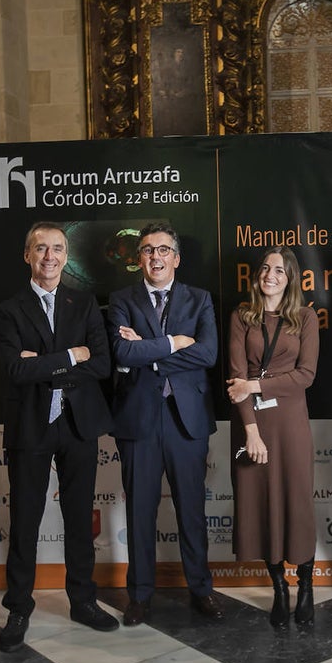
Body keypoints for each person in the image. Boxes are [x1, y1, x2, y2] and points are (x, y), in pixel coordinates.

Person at [0, 221, 120, 653]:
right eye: (41, 248)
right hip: (31, 425)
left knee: (79, 518)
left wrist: (43, 364)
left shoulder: (83, 303)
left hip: (78, 423)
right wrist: (70, 355)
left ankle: (83, 601)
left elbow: (100, 364)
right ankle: (18, 608)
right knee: (25, 521)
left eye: (57, 248)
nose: (50, 256)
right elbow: (15, 369)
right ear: (27, 255)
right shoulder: (8, 310)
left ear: (66, 256)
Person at [108, 222, 225, 626]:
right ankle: (139, 596)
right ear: (138, 258)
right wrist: (175, 343)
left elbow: (208, 354)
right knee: (139, 511)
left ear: (176, 257)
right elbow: (122, 353)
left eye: (162, 250)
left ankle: (201, 589)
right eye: (147, 250)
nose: (155, 257)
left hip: (186, 420)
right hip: (137, 418)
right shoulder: (121, 299)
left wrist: (148, 352)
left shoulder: (200, 299)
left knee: (191, 510)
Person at [226, 247, 319, 627]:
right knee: (261, 505)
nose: (270, 275)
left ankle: (306, 585)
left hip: (291, 424)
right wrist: (251, 432)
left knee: (297, 503)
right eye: (265, 268)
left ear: (290, 277)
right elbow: (235, 377)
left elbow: (306, 375)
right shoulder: (241, 316)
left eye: (279, 270)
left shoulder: (305, 317)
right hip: (251, 424)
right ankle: (279, 589)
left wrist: (255, 385)